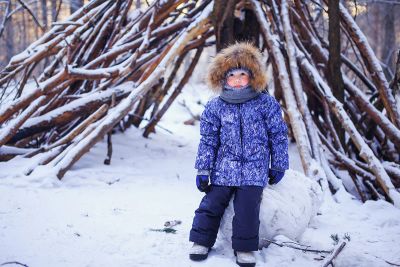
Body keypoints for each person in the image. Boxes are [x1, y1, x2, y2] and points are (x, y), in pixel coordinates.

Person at [188, 42, 289, 267]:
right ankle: (201, 240)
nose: (237, 79)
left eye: (242, 74)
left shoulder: (265, 104)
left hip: (254, 169)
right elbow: (208, 140)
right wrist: (203, 169)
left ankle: (244, 247)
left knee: (247, 208)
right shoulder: (216, 107)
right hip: (224, 168)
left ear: (252, 76)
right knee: (211, 203)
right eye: (231, 75)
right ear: (222, 78)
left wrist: (279, 164)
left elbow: (278, 134)